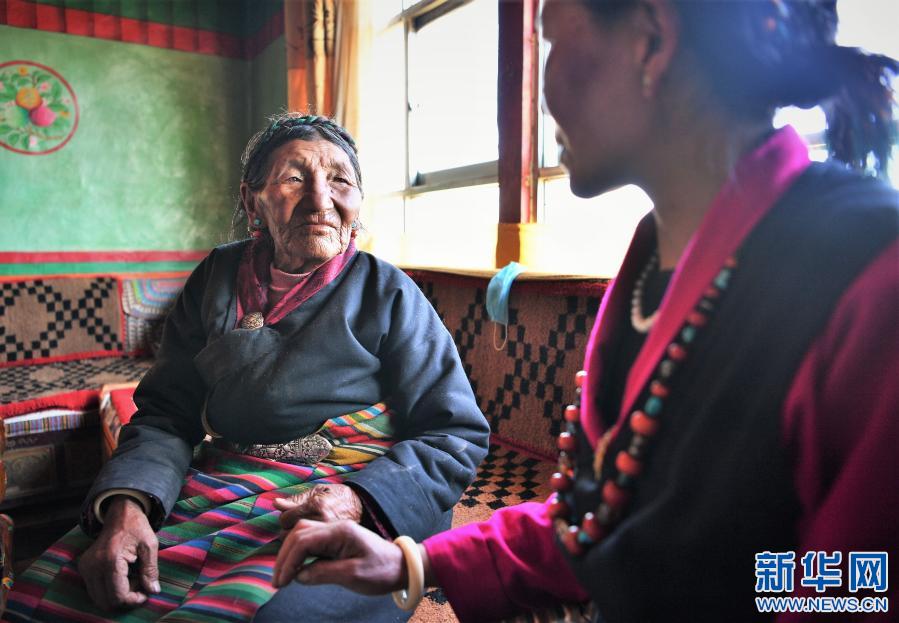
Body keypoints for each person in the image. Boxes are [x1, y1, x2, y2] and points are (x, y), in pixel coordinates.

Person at [266, 1, 899, 622]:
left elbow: (860, 586)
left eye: (551, 42)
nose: (542, 95)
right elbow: (598, 519)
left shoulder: (871, 272)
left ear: (651, 41)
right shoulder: (650, 258)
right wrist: (412, 562)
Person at [4, 113, 490, 623]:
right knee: (52, 592)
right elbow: (166, 413)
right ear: (252, 200)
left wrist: (353, 500)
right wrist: (129, 506)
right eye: (295, 178)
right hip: (233, 476)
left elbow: (454, 431)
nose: (320, 199)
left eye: (340, 180)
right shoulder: (216, 276)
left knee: (271, 613)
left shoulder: (387, 291)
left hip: (368, 489)